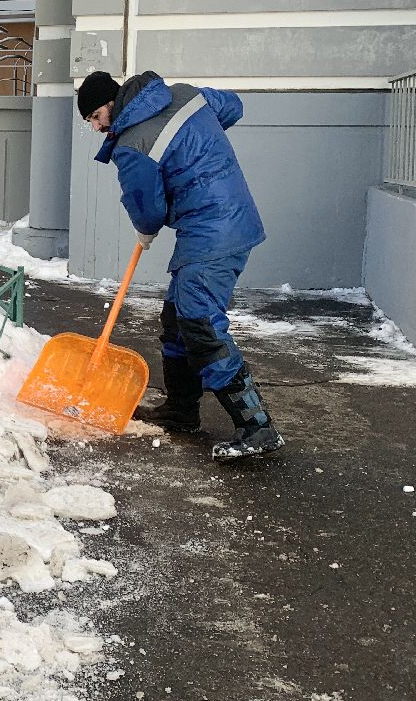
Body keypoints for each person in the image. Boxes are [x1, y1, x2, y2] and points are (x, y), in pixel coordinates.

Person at [75, 69, 285, 461]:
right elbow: (232, 106)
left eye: (92, 118)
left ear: (107, 105)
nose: (95, 127)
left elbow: (149, 208)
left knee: (199, 321)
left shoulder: (131, 143)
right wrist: (196, 145)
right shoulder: (184, 95)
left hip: (212, 230)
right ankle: (181, 410)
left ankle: (257, 426)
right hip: (229, 218)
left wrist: (146, 229)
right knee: (176, 317)